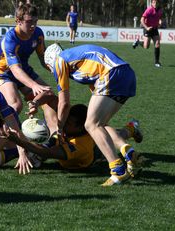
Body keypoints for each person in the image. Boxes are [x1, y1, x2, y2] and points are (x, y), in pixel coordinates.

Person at [44, 43, 141, 186]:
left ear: (49, 63)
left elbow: (64, 103)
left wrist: (59, 129)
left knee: (91, 124)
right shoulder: (76, 61)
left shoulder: (59, 61)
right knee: (100, 124)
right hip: (126, 74)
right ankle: (127, 151)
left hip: (112, 73)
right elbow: (95, 88)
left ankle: (118, 171)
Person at [0, 104, 143, 172]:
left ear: (80, 127)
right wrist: (38, 100)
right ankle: (131, 128)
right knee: (49, 142)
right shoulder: (70, 129)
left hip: (91, 154)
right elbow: (51, 103)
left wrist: (18, 141)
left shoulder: (79, 146)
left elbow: (47, 152)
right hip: (78, 138)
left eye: (69, 123)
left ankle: (131, 128)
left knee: (113, 138)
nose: (64, 124)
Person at [0, 3, 57, 134]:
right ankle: (0, 134)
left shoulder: (38, 34)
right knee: (16, 105)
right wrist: (33, 85)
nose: (33, 25)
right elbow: (15, 70)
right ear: (18, 21)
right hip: (4, 73)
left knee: (50, 97)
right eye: (29, 22)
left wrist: (58, 70)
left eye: (35, 21)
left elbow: (44, 58)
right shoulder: (10, 39)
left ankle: (54, 136)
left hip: (24, 70)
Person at [132, 0, 162, 68]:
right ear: (152, 3)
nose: (155, 4)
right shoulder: (149, 9)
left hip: (154, 29)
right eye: (154, 2)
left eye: (156, 3)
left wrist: (160, 22)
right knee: (146, 46)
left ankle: (157, 62)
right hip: (147, 29)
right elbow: (142, 20)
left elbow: (159, 17)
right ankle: (138, 42)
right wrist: (147, 27)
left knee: (157, 44)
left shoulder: (160, 10)